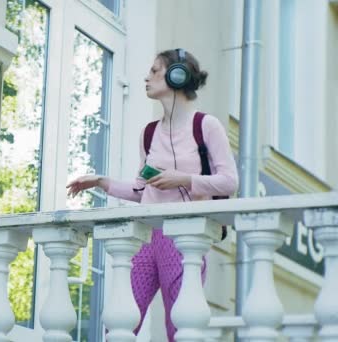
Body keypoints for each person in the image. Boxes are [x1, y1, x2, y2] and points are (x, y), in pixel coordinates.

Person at [66, 49, 238, 341]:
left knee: (180, 329)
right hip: (146, 240)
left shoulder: (206, 126)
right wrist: (101, 181)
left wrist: (183, 179)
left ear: (177, 76)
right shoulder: (149, 132)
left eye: (155, 71)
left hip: (184, 239)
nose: (147, 77)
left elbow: (229, 182)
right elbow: (141, 191)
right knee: (119, 324)